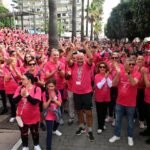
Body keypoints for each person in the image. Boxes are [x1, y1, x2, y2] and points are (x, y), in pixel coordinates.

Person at [109, 58, 141, 146]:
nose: (131, 66)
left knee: (130, 122)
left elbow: (134, 83)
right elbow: (114, 84)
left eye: (133, 64)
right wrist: (118, 73)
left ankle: (130, 137)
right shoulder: (120, 72)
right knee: (118, 120)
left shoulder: (137, 74)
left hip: (131, 103)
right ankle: (116, 135)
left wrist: (129, 74)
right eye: (129, 64)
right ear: (125, 64)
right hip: (119, 102)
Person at [67, 41, 94, 142]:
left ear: (84, 58)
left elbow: (91, 58)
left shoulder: (87, 65)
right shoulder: (73, 65)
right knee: (78, 111)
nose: (79, 60)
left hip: (86, 92)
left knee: (89, 113)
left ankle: (90, 130)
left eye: (81, 58)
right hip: (76, 92)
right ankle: (82, 127)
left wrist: (85, 47)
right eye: (78, 58)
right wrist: (73, 50)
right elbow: (67, 59)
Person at [13, 72, 42, 150]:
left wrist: (27, 95)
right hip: (21, 117)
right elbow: (14, 101)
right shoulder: (19, 88)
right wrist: (20, 95)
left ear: (29, 80)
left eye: (23, 79)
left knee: (35, 132)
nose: (21, 80)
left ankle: (36, 145)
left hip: (34, 116)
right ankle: (25, 146)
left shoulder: (37, 89)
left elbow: (35, 102)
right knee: (24, 132)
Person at [42, 78, 62, 150]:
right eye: (49, 86)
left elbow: (59, 104)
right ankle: (48, 148)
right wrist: (50, 99)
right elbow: (44, 106)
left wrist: (54, 100)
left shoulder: (58, 92)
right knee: (49, 133)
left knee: (58, 122)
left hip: (56, 113)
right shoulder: (44, 94)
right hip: (49, 114)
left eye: (52, 86)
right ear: (47, 86)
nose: (50, 88)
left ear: (55, 86)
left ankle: (55, 130)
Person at [94, 62, 112, 134]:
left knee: (104, 112)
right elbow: (99, 86)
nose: (102, 68)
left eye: (104, 67)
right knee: (99, 113)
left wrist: (107, 77)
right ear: (98, 68)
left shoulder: (109, 75)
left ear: (106, 68)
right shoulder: (97, 76)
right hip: (99, 98)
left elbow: (110, 85)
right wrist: (105, 77)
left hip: (107, 97)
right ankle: (99, 127)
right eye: (100, 67)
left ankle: (102, 124)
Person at [140, 67, 150, 144]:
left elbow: (148, 85)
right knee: (147, 117)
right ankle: (148, 131)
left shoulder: (147, 73)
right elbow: (143, 83)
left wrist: (144, 74)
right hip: (146, 99)